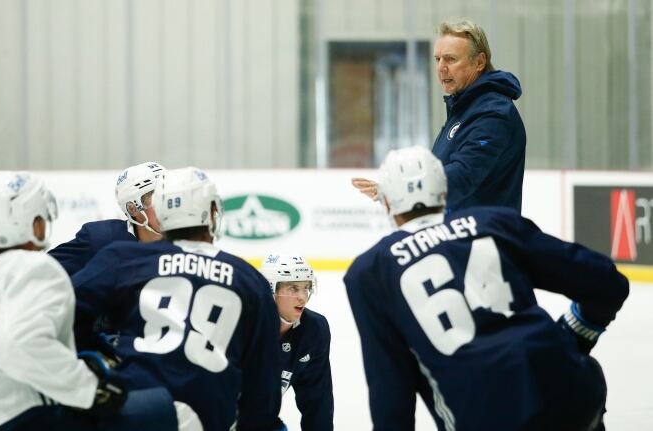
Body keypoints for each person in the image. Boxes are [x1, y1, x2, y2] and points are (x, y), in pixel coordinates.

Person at [344, 147, 628, 431]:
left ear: (387, 204)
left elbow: (391, 392)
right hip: (572, 393)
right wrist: (576, 333)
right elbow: (606, 282)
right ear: (444, 193)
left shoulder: (369, 272)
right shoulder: (493, 222)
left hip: (483, 417)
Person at [0, 171, 156, 431]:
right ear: (33, 223)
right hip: (10, 413)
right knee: (157, 408)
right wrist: (91, 389)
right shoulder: (38, 268)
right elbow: (20, 343)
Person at [72, 167, 282, 431]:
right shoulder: (251, 281)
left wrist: (98, 353)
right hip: (208, 415)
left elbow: (64, 308)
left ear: (161, 212)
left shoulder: (125, 258)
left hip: (135, 407)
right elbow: (264, 389)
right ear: (214, 212)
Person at [352, 18, 525, 213]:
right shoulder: (465, 109)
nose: (441, 68)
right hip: (460, 235)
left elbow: (462, 175)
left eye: (451, 59)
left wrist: (401, 188)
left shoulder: (493, 113)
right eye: (437, 59)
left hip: (483, 238)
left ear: (479, 62)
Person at [49, 162, 166, 276]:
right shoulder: (101, 238)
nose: (166, 205)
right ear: (132, 208)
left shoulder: (182, 236)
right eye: (156, 198)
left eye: (168, 195)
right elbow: (44, 269)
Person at [260, 254, 333, 431]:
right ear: (270, 289)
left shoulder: (314, 329)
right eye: (293, 288)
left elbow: (317, 402)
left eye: (306, 288)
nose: (303, 297)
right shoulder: (242, 323)